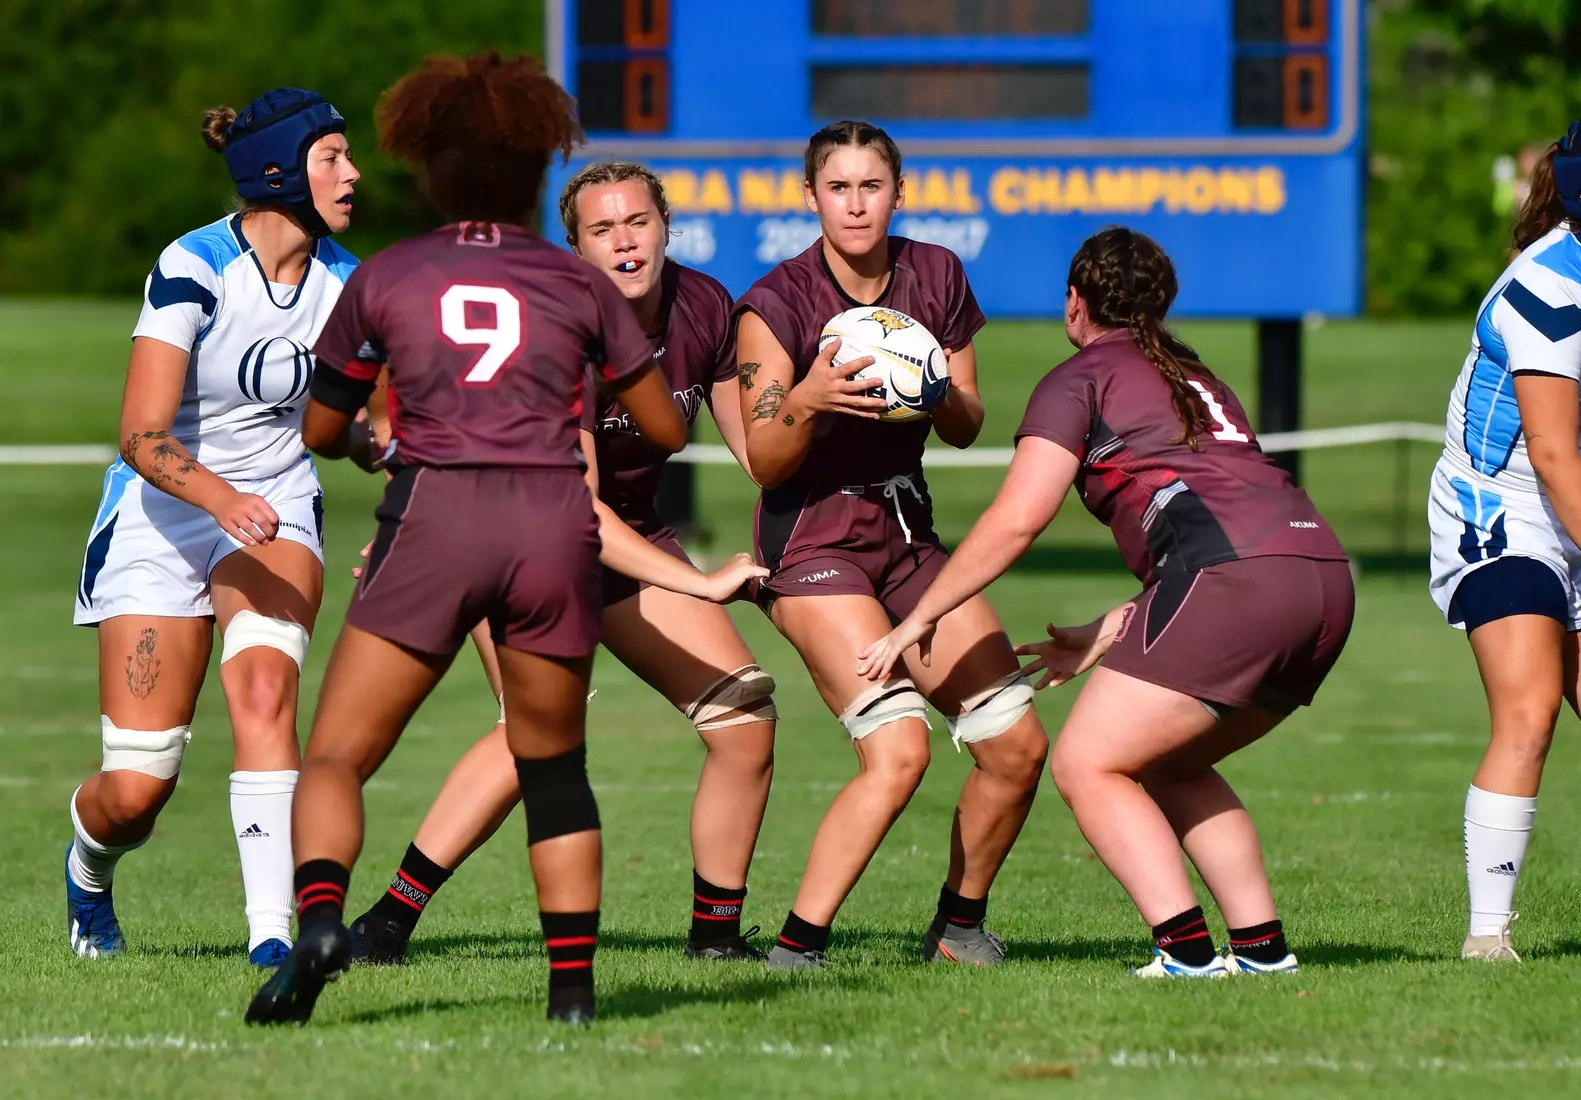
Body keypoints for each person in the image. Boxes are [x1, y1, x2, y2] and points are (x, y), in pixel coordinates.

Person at [244, 51, 686, 1027]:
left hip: (437, 513)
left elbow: (322, 431)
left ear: (430, 168)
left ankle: (321, 915)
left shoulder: (390, 272)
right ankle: (571, 992)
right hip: (550, 526)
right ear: (537, 172)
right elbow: (664, 428)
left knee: (335, 758)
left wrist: (371, 438)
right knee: (554, 764)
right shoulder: (576, 280)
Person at [861, 226, 1352, 978]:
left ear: (1074, 301)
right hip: (1320, 576)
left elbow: (1019, 518)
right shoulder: (1194, 373)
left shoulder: (1080, 377)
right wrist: (1109, 629)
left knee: (1088, 763)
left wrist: (922, 614)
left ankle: (1184, 952)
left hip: (1236, 583)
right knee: (1168, 761)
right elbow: (1214, 515)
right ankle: (1261, 951)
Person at [345, 161, 778, 965]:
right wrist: (698, 580)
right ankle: (385, 921)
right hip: (522, 538)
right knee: (529, 736)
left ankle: (714, 937)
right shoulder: (559, 326)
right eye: (602, 229)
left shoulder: (706, 307)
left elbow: (762, 454)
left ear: (666, 226)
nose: (625, 241)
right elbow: (576, 509)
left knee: (744, 718)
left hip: (629, 537)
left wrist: (819, 405)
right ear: (573, 246)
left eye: (638, 222)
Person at [734, 120, 1048, 969]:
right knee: (900, 749)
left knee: (1015, 748)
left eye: (871, 186)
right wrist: (811, 394)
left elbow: (968, 419)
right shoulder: (775, 302)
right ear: (810, 198)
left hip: (908, 534)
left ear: (897, 193)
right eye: (837, 187)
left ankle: (957, 927)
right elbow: (765, 458)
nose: (855, 203)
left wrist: (930, 386)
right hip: (813, 537)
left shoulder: (936, 273)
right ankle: (798, 947)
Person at [65, 89, 363, 967]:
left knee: (264, 694)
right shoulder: (193, 266)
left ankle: (274, 939)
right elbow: (142, 434)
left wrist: (386, 453)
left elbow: (354, 423)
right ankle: (87, 870)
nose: (354, 174)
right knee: (137, 785)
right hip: (162, 516)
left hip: (276, 509)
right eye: (333, 157)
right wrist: (221, 498)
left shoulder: (349, 281)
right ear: (276, 171)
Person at [1427, 105, 1581, 962]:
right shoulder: (1545, 284)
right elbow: (1552, 455)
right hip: (1499, 507)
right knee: (1526, 712)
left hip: (1580, 518)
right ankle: (1488, 938)